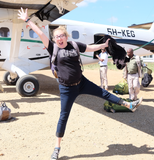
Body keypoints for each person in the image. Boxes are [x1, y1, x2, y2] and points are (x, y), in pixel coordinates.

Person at [18, 8, 143, 160]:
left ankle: (128, 105)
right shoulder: (53, 48)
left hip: (81, 82)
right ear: (54, 38)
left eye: (62, 35)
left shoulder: (74, 45)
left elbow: (91, 47)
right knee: (63, 117)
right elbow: (40, 33)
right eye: (57, 36)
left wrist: (104, 44)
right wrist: (27, 20)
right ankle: (57, 148)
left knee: (104, 93)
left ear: (66, 36)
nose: (60, 38)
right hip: (66, 89)